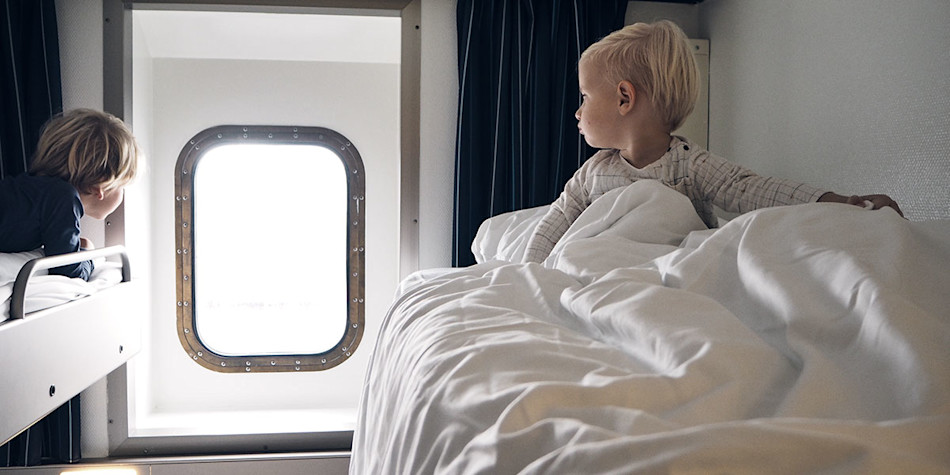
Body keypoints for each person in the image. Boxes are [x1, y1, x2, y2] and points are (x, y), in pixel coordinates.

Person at [523, 20, 901, 264]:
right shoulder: (592, 174)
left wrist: (841, 204)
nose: (577, 111)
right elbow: (556, 222)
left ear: (624, 98)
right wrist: (529, 272)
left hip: (664, 272)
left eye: (585, 96)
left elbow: (758, 191)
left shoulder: (690, 166)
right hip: (601, 271)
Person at [0, 108, 142, 280]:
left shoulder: (32, 188)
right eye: (122, 186)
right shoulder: (63, 198)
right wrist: (88, 254)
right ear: (102, 184)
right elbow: (68, 271)